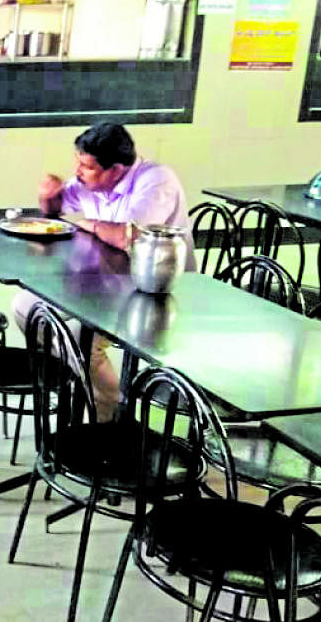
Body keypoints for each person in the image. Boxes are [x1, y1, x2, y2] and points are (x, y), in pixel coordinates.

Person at [12, 121, 192, 421]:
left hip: (153, 292)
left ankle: (112, 409)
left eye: (86, 166)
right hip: (104, 281)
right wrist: (48, 195)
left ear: (117, 169)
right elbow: (55, 209)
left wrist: (89, 224)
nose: (78, 172)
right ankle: (97, 391)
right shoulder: (91, 181)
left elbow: (129, 237)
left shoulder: (157, 181)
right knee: (25, 308)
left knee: (79, 340)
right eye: (77, 163)